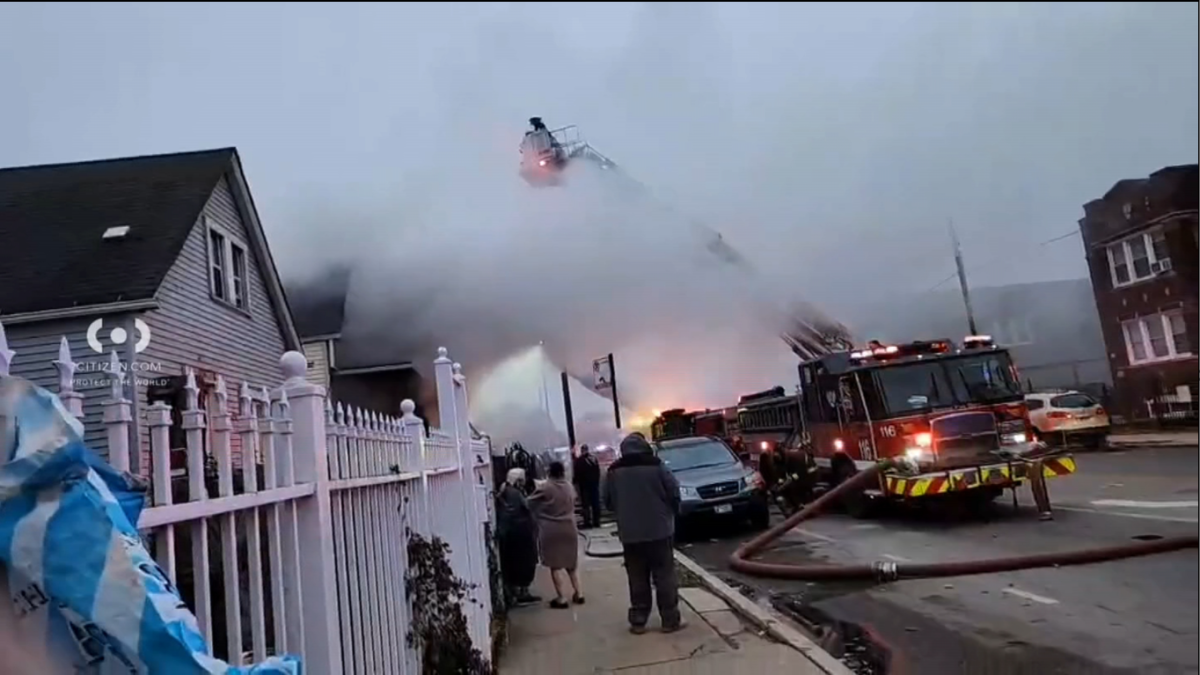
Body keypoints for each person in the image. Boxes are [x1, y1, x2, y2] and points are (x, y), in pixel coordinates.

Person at [604, 433, 685, 634]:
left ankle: (638, 620)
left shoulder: (614, 471)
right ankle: (669, 620)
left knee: (637, 577)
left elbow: (606, 500)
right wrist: (672, 511)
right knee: (664, 576)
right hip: (659, 530)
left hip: (630, 534)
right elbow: (674, 491)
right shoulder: (656, 466)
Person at [527, 461, 584, 608]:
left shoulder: (546, 487)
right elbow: (574, 499)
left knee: (555, 565)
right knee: (572, 564)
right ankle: (579, 593)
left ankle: (561, 598)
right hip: (569, 528)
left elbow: (528, 502)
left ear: (549, 472)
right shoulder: (569, 486)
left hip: (551, 529)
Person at [495, 468, 541, 606]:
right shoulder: (514, 494)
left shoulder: (507, 491)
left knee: (517, 563)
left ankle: (517, 592)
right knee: (525, 563)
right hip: (520, 534)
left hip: (516, 534)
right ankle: (521, 593)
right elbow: (519, 510)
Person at [573, 444, 603, 529]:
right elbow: (597, 471)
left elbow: (577, 474)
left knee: (586, 505)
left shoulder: (579, 461)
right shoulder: (593, 459)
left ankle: (587, 522)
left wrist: (576, 484)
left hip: (584, 486)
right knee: (595, 504)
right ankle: (596, 521)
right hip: (593, 485)